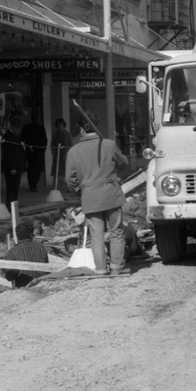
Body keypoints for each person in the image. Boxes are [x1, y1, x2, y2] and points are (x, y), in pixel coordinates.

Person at [65, 118, 129, 275]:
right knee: (116, 232)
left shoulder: (73, 151)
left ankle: (100, 270)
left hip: (90, 197)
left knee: (96, 236)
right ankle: (116, 268)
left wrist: (80, 191)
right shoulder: (109, 144)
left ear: (81, 130)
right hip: (111, 194)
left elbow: (70, 180)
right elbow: (124, 163)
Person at [2, 222, 49, 288]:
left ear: (17, 235)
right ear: (31, 234)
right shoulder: (41, 248)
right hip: (42, 287)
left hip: (23, 290)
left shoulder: (13, 252)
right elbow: (46, 268)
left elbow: (9, 277)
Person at [21, 113, 47, 192]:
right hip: (36, 151)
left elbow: (22, 139)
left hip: (32, 150)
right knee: (36, 167)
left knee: (32, 167)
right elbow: (44, 140)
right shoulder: (40, 127)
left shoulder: (27, 127)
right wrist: (42, 150)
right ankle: (33, 184)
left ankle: (32, 184)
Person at [2, 117, 25, 204]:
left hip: (17, 165)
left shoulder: (15, 136)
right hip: (12, 167)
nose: (18, 130)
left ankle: (13, 206)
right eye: (17, 128)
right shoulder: (8, 136)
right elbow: (9, 154)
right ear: (12, 127)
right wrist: (13, 167)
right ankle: (10, 206)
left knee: (15, 188)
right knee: (12, 188)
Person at [50, 118, 74, 188]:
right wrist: (54, 153)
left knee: (66, 171)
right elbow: (52, 145)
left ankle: (69, 186)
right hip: (57, 155)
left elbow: (71, 144)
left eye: (61, 124)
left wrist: (67, 153)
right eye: (58, 124)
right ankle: (55, 185)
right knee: (56, 171)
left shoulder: (67, 134)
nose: (60, 126)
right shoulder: (55, 134)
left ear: (63, 125)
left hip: (65, 155)